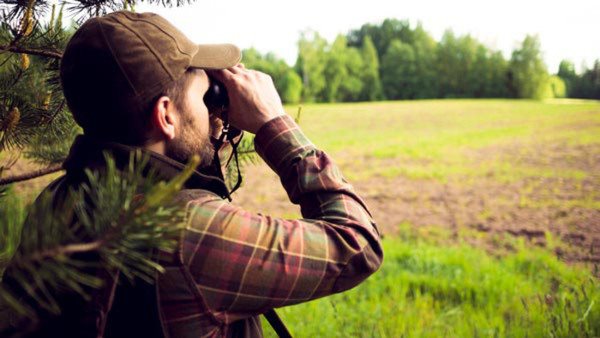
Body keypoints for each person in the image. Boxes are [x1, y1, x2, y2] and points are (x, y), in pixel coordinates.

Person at [2, 10, 383, 337]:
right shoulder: (190, 230)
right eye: (204, 96)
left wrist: (202, 133)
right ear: (166, 115)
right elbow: (357, 243)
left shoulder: (56, 201)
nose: (212, 107)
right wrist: (274, 123)